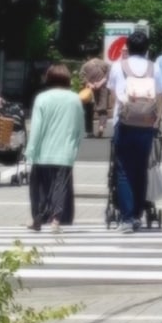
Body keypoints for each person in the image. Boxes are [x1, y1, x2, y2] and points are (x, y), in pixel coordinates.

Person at [107, 28, 162, 232]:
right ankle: (138, 213)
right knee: (141, 168)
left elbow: (113, 96)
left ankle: (127, 218)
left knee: (123, 169)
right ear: (147, 49)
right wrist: (157, 120)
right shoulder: (154, 68)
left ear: (128, 47)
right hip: (146, 125)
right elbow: (160, 95)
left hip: (123, 124)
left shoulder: (117, 67)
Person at [26, 63, 85, 231]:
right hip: (65, 152)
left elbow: (36, 128)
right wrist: (75, 146)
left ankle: (38, 218)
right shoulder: (75, 99)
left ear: (49, 78)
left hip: (42, 152)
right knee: (61, 186)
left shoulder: (42, 98)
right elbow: (80, 128)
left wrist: (30, 149)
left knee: (39, 187)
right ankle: (56, 219)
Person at [79, 48, 109, 138]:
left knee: (88, 110)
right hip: (103, 88)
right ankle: (101, 127)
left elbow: (81, 76)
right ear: (98, 53)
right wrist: (100, 83)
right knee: (102, 108)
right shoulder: (105, 64)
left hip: (89, 90)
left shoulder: (85, 65)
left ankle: (90, 131)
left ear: (88, 55)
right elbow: (108, 75)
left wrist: (89, 84)